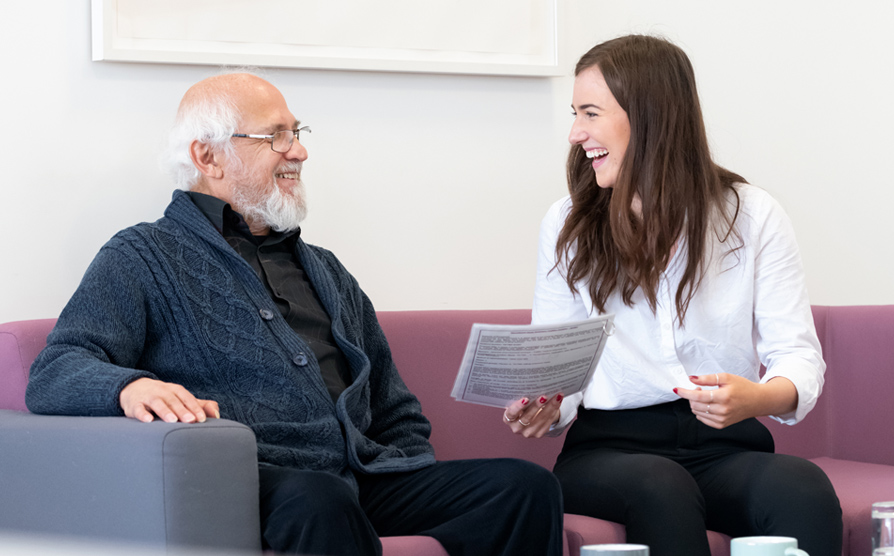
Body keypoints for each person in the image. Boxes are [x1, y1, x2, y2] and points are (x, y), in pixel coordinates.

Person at [25, 72, 563, 556]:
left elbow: (394, 404)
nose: (298, 152)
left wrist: (405, 461)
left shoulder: (325, 270)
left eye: (297, 132)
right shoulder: (141, 256)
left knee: (521, 488)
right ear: (208, 157)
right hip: (259, 481)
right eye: (275, 136)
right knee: (320, 500)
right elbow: (56, 368)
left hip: (363, 475)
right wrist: (129, 387)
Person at [501, 35, 842, 556]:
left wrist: (758, 398)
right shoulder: (567, 222)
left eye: (590, 113)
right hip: (609, 451)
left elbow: (796, 356)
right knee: (661, 486)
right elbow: (559, 369)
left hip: (725, 445)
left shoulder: (752, 216)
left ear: (650, 116)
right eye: (576, 114)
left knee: (801, 486)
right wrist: (547, 405)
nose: (575, 133)